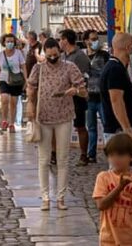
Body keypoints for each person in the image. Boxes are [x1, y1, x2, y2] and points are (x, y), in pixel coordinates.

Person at [26, 38, 88, 211]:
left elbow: (83, 90)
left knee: (63, 158)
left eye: (55, 55)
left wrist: (74, 90)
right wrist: (30, 105)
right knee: (44, 159)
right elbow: (30, 87)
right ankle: (45, 197)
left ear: (60, 52)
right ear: (44, 53)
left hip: (64, 117)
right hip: (43, 117)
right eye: (49, 55)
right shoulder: (39, 68)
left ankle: (61, 197)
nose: (53, 58)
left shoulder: (70, 67)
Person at [93, 133, 132, 246]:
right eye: (111, 155)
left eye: (120, 155)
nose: (115, 159)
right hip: (108, 239)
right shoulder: (103, 177)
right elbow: (101, 205)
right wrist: (120, 187)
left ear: (131, 156)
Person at [59, 29, 91, 167]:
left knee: (80, 126)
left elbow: (83, 77)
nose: (60, 42)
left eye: (61, 39)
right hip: (65, 96)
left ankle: (84, 155)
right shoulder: (63, 56)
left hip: (77, 95)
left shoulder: (80, 56)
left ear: (66, 40)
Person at [101, 32, 132, 140]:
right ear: (128, 48)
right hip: (118, 131)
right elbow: (116, 100)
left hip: (119, 131)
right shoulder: (115, 69)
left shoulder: (117, 67)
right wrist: (127, 128)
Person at [0, 33, 27, 133]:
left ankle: (12, 123)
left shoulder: (18, 53)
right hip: (3, 80)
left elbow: (23, 66)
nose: (10, 43)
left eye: (11, 41)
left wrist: (26, 80)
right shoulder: (0, 55)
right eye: (8, 41)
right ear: (4, 42)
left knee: (13, 102)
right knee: (4, 99)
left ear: (14, 42)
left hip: (16, 81)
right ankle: (4, 120)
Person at [85, 30, 110, 163]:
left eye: (96, 39)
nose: (95, 41)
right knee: (91, 127)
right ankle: (91, 154)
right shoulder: (83, 57)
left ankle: (109, 152)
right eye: (92, 39)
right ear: (86, 41)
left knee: (107, 125)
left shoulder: (104, 55)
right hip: (89, 97)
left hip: (101, 96)